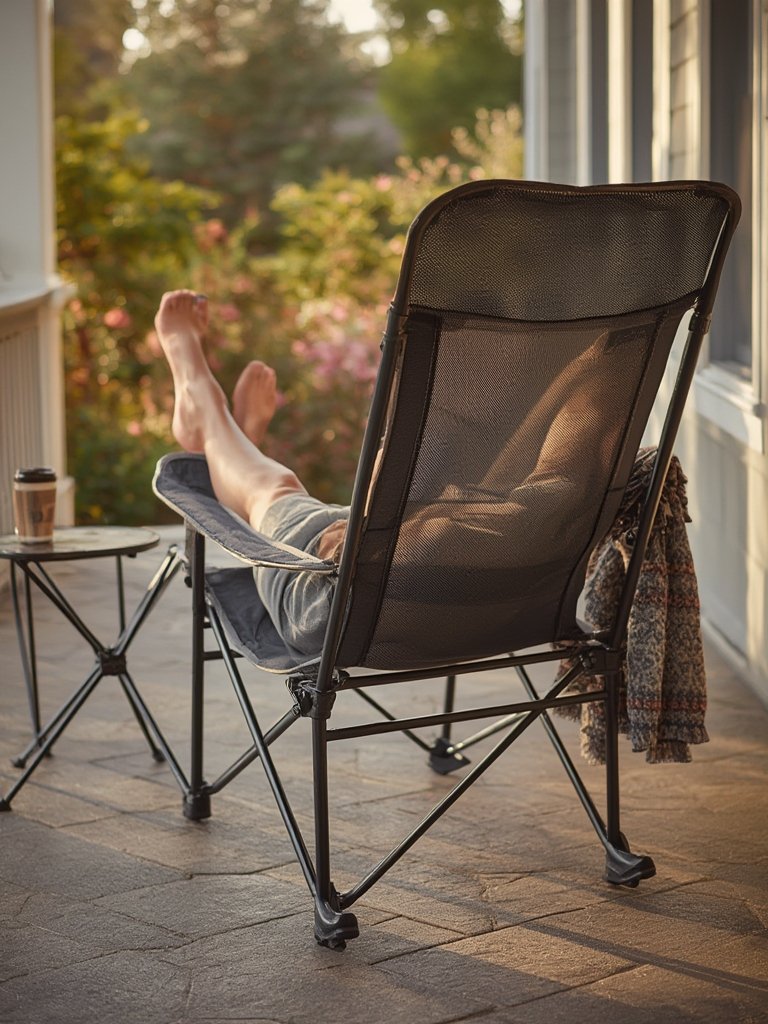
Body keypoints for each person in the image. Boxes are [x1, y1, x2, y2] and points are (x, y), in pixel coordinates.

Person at [155, 289, 349, 658]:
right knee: (285, 499)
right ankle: (237, 444)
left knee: (278, 490)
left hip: (331, 605)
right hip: (455, 624)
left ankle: (205, 405)